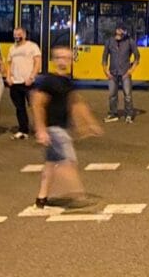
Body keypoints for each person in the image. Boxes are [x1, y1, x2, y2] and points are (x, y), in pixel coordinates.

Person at [32, 47, 102, 207]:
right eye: (59, 57)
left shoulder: (67, 82)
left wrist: (88, 124)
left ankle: (41, 198)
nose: (63, 61)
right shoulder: (48, 81)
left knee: (50, 164)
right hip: (54, 129)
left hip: (60, 128)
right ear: (54, 60)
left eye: (66, 58)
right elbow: (37, 103)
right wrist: (41, 129)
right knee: (68, 162)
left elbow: (76, 103)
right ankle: (77, 194)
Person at [6, 27, 42, 139]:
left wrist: (31, 77)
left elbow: (37, 62)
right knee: (19, 108)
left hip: (28, 83)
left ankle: (41, 130)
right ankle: (23, 130)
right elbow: (9, 63)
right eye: (15, 34)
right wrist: (8, 77)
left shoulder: (32, 46)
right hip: (15, 83)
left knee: (35, 107)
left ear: (25, 35)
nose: (17, 36)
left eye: (19, 34)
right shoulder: (12, 48)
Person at [102, 24, 140, 123]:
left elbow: (137, 57)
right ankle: (113, 114)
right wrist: (105, 70)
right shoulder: (109, 41)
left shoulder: (130, 41)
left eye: (123, 30)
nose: (121, 32)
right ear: (116, 30)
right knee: (112, 95)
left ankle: (129, 115)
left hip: (125, 73)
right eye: (120, 29)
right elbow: (104, 57)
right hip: (112, 72)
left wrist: (131, 70)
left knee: (127, 95)